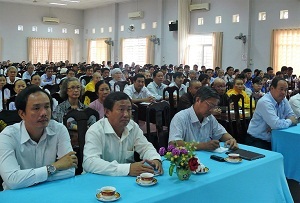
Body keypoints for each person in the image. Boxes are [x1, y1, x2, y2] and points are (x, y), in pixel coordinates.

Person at [0, 86, 77, 190]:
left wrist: (27, 179)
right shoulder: (8, 136)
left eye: (47, 107)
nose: (44, 113)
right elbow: (12, 180)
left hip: (49, 190)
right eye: (36, 108)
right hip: (17, 195)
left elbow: (70, 170)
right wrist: (55, 167)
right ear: (22, 114)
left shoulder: (59, 129)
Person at [83, 92, 163, 176]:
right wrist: (127, 169)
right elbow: (89, 162)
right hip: (99, 180)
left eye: (129, 109)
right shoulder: (95, 130)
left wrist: (154, 159)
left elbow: (145, 147)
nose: (126, 114)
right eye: (121, 110)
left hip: (125, 180)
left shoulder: (132, 126)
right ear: (107, 112)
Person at [168, 86, 238, 151]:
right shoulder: (180, 117)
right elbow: (173, 144)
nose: (212, 110)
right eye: (210, 105)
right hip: (187, 159)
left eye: (214, 107)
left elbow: (221, 133)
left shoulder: (209, 117)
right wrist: (203, 146)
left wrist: (231, 139)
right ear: (198, 100)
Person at [246, 77, 297, 150]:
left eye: (285, 90)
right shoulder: (265, 102)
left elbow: (293, 116)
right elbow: (277, 124)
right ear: (272, 88)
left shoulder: (283, 99)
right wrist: (288, 121)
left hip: (275, 137)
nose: (283, 93)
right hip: (257, 140)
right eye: (281, 89)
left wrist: (275, 126)